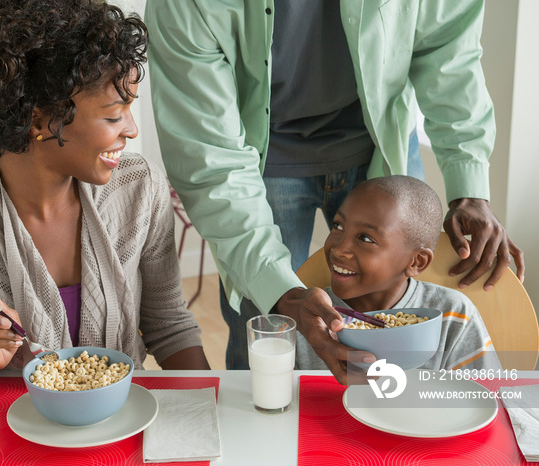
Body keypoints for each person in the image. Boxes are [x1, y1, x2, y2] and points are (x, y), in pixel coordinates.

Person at [144, 0, 523, 381]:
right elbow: (212, 159)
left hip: (382, 138)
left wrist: (468, 180)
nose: (339, 248)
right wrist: (281, 294)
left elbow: (449, 49)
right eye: (341, 232)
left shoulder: (453, 314)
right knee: (265, 338)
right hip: (258, 162)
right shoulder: (186, 5)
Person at [0, 0, 210, 373]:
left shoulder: (140, 188)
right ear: (40, 121)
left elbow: (170, 326)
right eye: (113, 115)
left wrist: (205, 414)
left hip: (121, 415)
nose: (131, 130)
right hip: (3, 420)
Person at [295, 175, 501, 372]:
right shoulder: (310, 317)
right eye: (338, 226)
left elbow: (488, 394)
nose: (339, 249)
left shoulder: (453, 314)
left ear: (416, 262)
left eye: (365, 238)